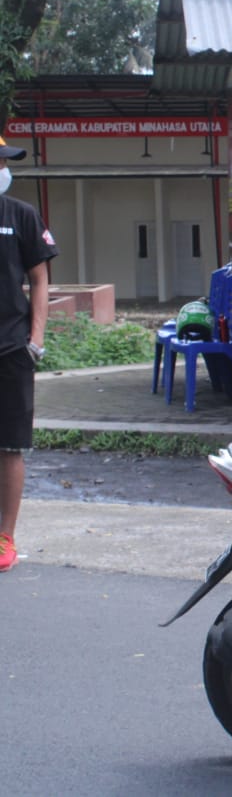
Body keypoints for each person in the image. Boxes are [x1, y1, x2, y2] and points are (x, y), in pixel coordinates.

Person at [0, 135, 58, 573]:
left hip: (10, 347)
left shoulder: (20, 214)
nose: (3, 167)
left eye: (4, 161)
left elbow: (40, 277)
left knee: (10, 446)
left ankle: (5, 537)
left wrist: (35, 338)